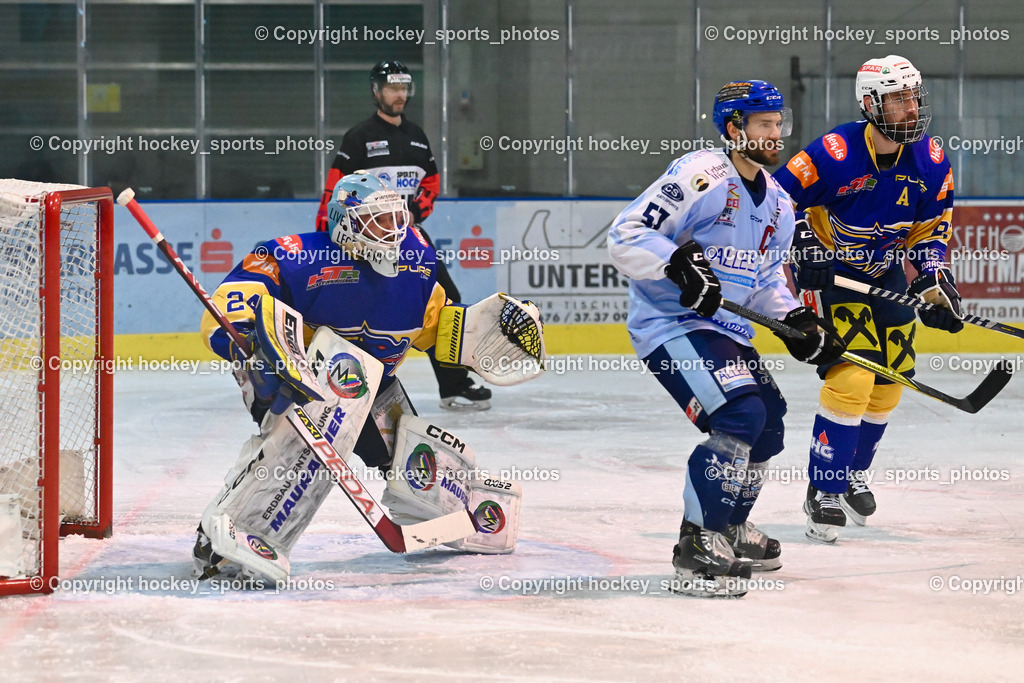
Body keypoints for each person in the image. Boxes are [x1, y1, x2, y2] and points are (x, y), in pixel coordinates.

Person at [191, 172, 534, 583]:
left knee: (409, 456)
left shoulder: (416, 262)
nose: (393, 230)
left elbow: (434, 325)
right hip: (296, 378)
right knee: (296, 459)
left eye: (396, 218)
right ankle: (228, 537)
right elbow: (230, 305)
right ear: (346, 223)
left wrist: (477, 335)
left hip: (371, 380)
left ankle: (455, 513)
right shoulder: (296, 257)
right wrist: (250, 346)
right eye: (379, 220)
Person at [607, 81, 846, 597]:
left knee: (769, 424)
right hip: (672, 323)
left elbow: (764, 281)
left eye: (778, 123)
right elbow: (625, 235)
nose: (775, 134)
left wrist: (798, 321)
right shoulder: (701, 175)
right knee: (740, 414)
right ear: (734, 128)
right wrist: (676, 262)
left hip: (727, 330)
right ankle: (696, 545)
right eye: (763, 124)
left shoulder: (778, 202)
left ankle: (731, 526)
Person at [773, 55, 960, 544]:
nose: (911, 108)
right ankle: (824, 488)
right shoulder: (834, 152)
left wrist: (933, 281)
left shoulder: (931, 159)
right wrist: (802, 242)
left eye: (913, 97)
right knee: (853, 375)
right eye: (898, 100)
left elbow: (930, 231)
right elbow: (773, 199)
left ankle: (852, 472)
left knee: (892, 378)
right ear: (870, 105)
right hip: (831, 275)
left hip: (885, 274)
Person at [315, 59, 491, 410]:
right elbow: (334, 192)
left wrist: (414, 213)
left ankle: (454, 385)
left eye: (403, 88)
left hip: (409, 238)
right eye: (392, 88)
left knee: (446, 302)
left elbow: (431, 183)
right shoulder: (359, 138)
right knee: (355, 307)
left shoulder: (417, 138)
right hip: (365, 243)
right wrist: (328, 236)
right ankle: (337, 384)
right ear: (376, 91)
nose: (399, 94)